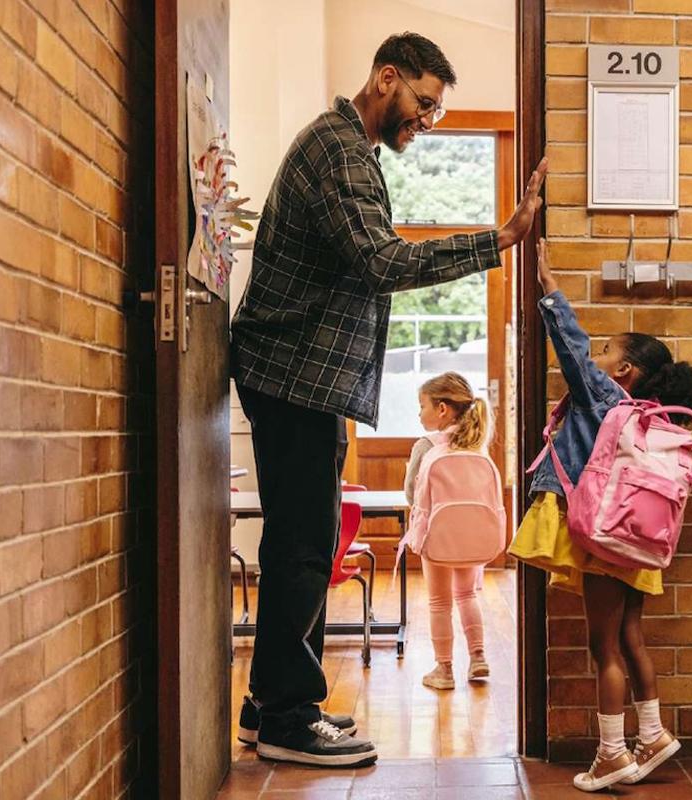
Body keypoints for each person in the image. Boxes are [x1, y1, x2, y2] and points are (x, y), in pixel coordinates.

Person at [229, 31, 547, 768]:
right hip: (293, 376)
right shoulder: (339, 151)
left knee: (305, 542)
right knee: (305, 546)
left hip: (308, 379)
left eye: (435, 112)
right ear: (386, 78)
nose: (426, 121)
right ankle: (285, 718)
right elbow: (381, 261)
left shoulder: (353, 150)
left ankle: (271, 702)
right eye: (423, 104)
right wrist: (498, 239)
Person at [509, 242, 692, 792]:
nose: (594, 359)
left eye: (605, 353)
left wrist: (549, 287)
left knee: (604, 647)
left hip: (606, 535)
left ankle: (612, 755)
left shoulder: (607, 399)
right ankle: (653, 734)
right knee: (631, 635)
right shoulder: (654, 419)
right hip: (639, 538)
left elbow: (570, 347)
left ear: (625, 370)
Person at [402, 372, 503, 691]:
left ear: (442, 409)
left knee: (439, 602)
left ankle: (444, 669)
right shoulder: (476, 444)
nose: (420, 413)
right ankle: (478, 656)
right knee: (467, 594)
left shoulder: (425, 446)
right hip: (473, 536)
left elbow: (411, 493)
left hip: (436, 537)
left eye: (422, 406)